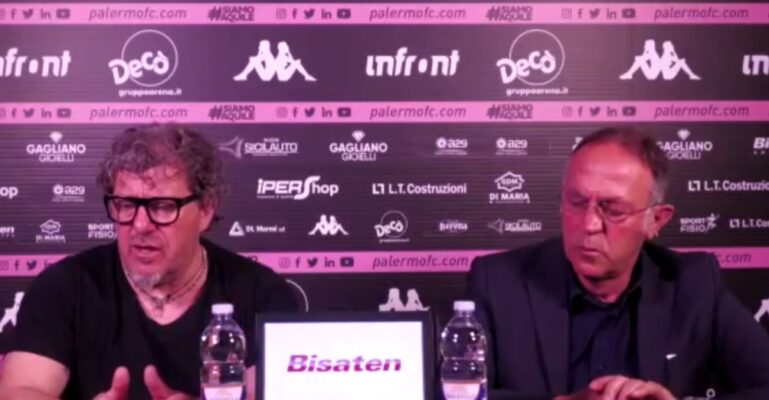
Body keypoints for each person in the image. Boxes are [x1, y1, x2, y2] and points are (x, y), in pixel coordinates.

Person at [0, 124, 299, 399]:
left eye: (162, 206)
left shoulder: (261, 294)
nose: (140, 225)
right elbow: (21, 389)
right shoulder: (64, 287)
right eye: (126, 205)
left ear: (206, 210)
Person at [468, 127, 769, 400]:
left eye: (613, 210)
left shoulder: (695, 284)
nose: (589, 224)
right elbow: (455, 393)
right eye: (576, 202)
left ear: (656, 220)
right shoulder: (497, 282)